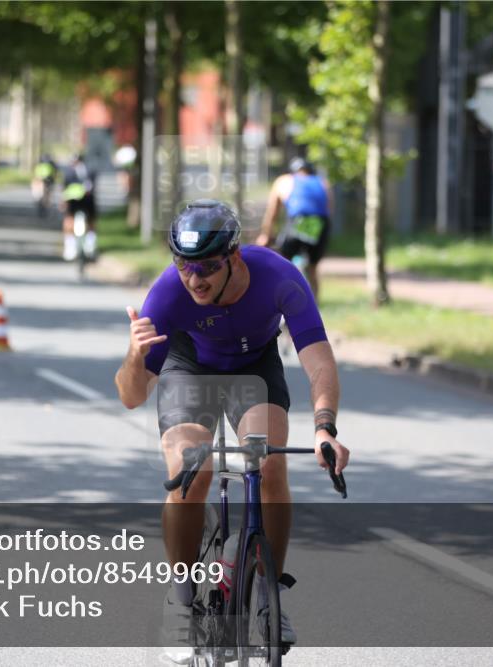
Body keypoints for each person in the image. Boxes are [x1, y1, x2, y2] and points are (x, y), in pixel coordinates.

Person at [114, 199, 350, 663]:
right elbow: (131, 396)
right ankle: (181, 600)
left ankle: (267, 594)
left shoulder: (278, 276)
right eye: (184, 265)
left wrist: (325, 427)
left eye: (206, 267)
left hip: (254, 368)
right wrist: (134, 357)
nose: (194, 279)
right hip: (190, 369)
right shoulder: (168, 293)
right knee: (191, 471)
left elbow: (319, 361)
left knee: (270, 465)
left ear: (234, 257)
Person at [256, 157, 333, 301]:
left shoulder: (284, 180)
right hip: (320, 223)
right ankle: (314, 304)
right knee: (312, 268)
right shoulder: (323, 182)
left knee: (283, 263)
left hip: (299, 220)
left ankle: (280, 301)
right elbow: (329, 209)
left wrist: (266, 234)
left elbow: (272, 212)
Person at [60, 154, 97, 261]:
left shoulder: (89, 171)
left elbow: (93, 187)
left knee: (91, 221)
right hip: (73, 201)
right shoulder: (68, 173)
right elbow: (64, 188)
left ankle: (90, 244)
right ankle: (70, 246)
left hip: (87, 201)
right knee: (69, 221)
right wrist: (63, 201)